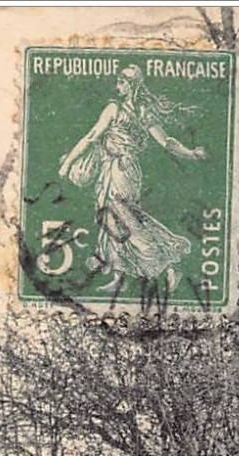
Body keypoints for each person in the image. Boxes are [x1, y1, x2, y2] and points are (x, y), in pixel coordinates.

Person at [57, 65, 206, 295]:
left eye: (121, 81)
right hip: (119, 169)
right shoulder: (143, 111)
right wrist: (191, 153)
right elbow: (167, 142)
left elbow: (92, 136)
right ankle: (120, 276)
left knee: (123, 220)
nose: (117, 85)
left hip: (120, 170)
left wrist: (68, 163)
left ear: (131, 85)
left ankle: (167, 265)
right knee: (112, 219)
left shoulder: (114, 109)